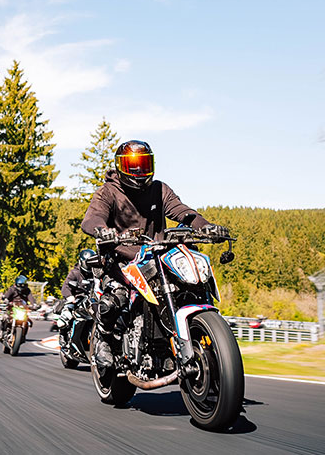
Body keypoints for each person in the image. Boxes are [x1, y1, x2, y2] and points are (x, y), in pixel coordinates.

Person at [80, 140, 229, 367]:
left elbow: (182, 211)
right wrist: (103, 231)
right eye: (133, 165)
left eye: (144, 164)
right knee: (115, 298)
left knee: (190, 284)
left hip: (156, 257)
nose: (139, 171)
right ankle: (103, 340)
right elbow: (92, 218)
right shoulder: (108, 192)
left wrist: (205, 227)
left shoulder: (159, 189)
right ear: (121, 167)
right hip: (121, 260)